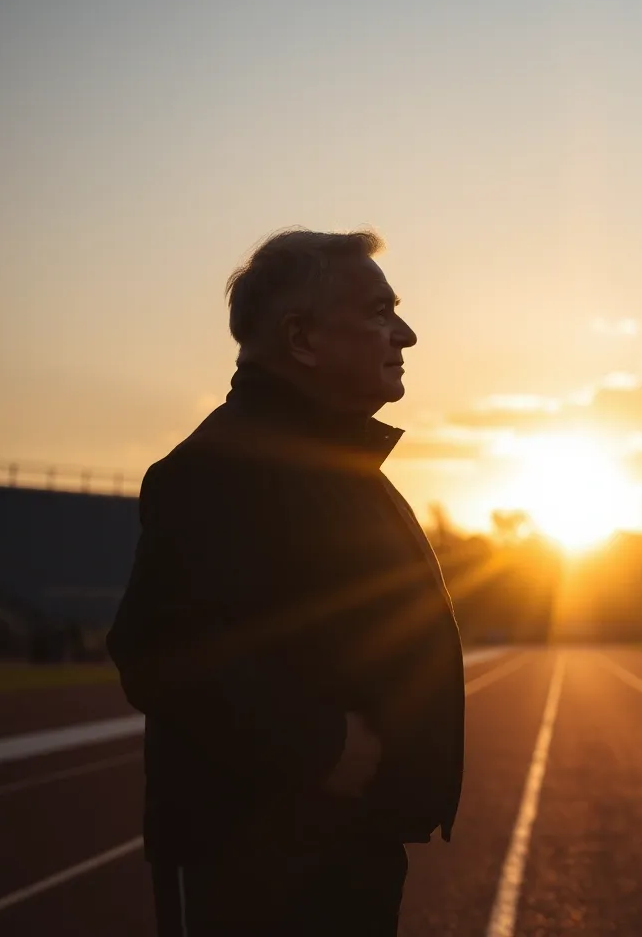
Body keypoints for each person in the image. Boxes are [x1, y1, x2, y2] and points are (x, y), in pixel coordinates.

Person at [107, 229, 464, 936]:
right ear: (300, 339)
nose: (407, 334)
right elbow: (160, 655)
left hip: (340, 846)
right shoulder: (224, 468)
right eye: (378, 312)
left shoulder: (333, 466)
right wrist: (321, 747)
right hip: (257, 865)